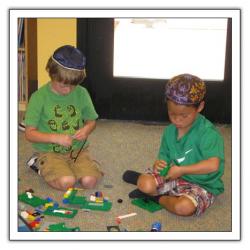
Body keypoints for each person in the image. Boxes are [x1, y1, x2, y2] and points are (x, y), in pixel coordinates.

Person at [123, 73, 224, 216]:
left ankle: (157, 197)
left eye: (184, 116)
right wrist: (159, 163)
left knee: (183, 208)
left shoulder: (208, 133)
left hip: (202, 184)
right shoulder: (170, 131)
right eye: (172, 114)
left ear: (200, 106)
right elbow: (164, 158)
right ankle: (154, 190)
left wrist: (182, 170)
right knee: (144, 184)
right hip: (173, 176)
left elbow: (213, 165)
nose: (177, 120)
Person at [25, 45, 103, 191]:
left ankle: (80, 166)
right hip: (50, 152)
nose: (68, 90)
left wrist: (86, 129)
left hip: (78, 151)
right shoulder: (38, 97)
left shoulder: (82, 93)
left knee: (90, 182)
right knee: (67, 182)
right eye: (63, 85)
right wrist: (55, 138)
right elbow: (29, 134)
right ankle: (39, 165)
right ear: (51, 73)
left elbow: (91, 121)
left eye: (73, 86)